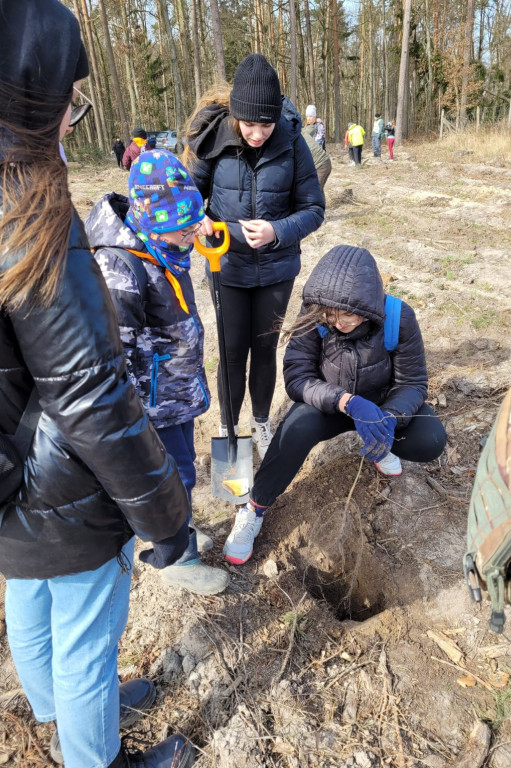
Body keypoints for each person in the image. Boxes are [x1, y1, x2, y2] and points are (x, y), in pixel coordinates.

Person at [0, 2, 195, 767]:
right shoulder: (27, 209)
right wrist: (166, 515)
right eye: (69, 101)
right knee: (86, 623)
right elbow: (91, 395)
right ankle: (95, 752)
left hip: (9, 474)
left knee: (27, 591)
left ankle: (57, 707)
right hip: (56, 481)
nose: (73, 121)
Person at [223, 245, 447, 565]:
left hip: (378, 405)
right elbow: (298, 377)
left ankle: (380, 444)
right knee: (295, 429)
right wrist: (344, 400)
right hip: (330, 405)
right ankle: (254, 510)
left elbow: (412, 383)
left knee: (431, 439)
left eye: (349, 315)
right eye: (332, 314)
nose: (339, 322)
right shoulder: (317, 314)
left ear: (368, 307)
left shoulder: (398, 317)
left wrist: (387, 419)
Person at [85, 150, 229, 596]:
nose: (190, 236)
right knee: (173, 476)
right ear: (151, 223)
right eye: (181, 230)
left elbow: (177, 249)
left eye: (192, 225)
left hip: (175, 391)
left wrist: (193, 232)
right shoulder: (121, 270)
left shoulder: (161, 243)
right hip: (150, 403)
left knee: (184, 466)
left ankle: (179, 530)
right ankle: (175, 557)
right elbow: (115, 359)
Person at [184, 53, 324, 459]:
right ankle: (229, 432)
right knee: (230, 353)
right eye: (250, 125)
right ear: (236, 115)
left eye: (266, 124)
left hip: (277, 270)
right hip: (225, 265)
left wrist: (277, 230)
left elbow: (314, 209)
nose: (258, 133)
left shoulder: (294, 143)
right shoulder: (214, 138)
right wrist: (201, 220)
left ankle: (261, 422)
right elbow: (190, 197)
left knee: (264, 351)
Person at [302, 119, 332, 191]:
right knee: (318, 190)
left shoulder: (295, 138)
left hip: (320, 165)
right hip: (326, 162)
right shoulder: (303, 132)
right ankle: (322, 202)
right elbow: (311, 128)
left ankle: (319, 202)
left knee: (314, 191)